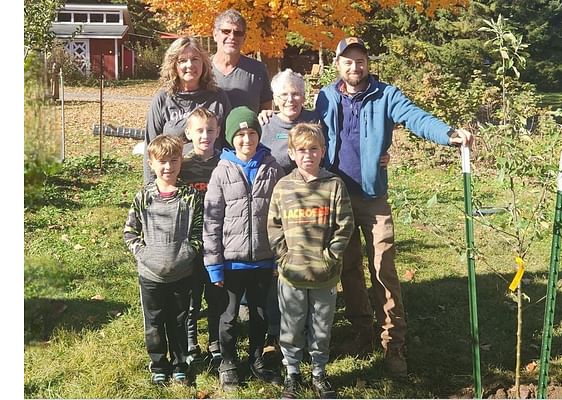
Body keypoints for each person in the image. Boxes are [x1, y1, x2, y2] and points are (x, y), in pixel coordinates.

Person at [314, 37, 474, 378]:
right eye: (348, 61)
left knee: (383, 267)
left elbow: (415, 116)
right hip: (337, 194)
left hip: (373, 198)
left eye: (360, 60)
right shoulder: (325, 97)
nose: (354, 67)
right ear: (338, 65)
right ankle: (362, 332)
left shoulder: (385, 94)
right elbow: (300, 123)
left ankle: (393, 343)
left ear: (368, 64)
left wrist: (448, 134)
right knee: (349, 268)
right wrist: (270, 114)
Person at [267, 123, 354, 399]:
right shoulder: (283, 187)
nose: (308, 155)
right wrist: (284, 257)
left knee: (321, 326)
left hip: (324, 274)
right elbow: (273, 225)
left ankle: (319, 374)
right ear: (292, 153)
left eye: (313, 149)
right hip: (291, 275)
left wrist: (330, 257)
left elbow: (345, 225)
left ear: (323, 151)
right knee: (291, 325)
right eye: (301, 150)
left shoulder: (333, 185)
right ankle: (292, 373)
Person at [203, 106, 285, 390]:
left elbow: (280, 217)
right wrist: (214, 264)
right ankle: (228, 362)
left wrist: (278, 257)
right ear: (230, 138)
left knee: (260, 315)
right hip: (230, 261)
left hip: (263, 259)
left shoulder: (272, 168)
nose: (246, 139)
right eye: (240, 134)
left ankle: (255, 358)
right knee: (228, 317)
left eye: (251, 133)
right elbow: (212, 220)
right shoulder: (222, 172)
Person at [123, 135, 203, 385]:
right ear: (151, 163)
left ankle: (180, 364)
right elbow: (130, 231)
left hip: (181, 273)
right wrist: (144, 255)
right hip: (151, 275)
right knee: (154, 322)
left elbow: (199, 232)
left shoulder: (190, 196)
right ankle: (158, 364)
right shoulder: (143, 197)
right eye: (162, 162)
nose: (168, 167)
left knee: (179, 321)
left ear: (181, 162)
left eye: (174, 160)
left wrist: (186, 255)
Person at [144, 36, 232, 184]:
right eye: (182, 60)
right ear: (173, 65)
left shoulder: (218, 97)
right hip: (174, 182)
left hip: (213, 180)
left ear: (204, 63)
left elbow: (230, 142)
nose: (190, 65)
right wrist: (151, 188)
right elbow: (150, 146)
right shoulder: (163, 99)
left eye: (195, 59)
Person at [178, 107, 228, 366]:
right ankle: (190, 340)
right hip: (190, 241)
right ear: (189, 133)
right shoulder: (182, 167)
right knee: (191, 295)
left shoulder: (225, 163)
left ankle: (215, 340)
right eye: (199, 131)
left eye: (210, 130)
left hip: (217, 242)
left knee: (215, 292)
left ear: (218, 132)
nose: (205, 136)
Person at [210, 9, 273, 113]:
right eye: (226, 31)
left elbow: (266, 113)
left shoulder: (257, 70)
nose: (232, 37)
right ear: (215, 34)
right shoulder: (202, 68)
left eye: (238, 33)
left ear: (244, 38)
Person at [260, 69, 321, 174]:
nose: (290, 100)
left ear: (303, 97)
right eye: (284, 95)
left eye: (295, 94)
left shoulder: (316, 121)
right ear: (275, 98)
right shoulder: (265, 123)